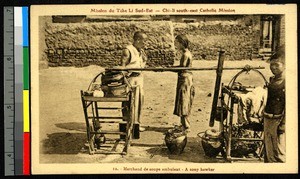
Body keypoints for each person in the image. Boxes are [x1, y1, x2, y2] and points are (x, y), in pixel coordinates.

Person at [121, 31, 148, 132]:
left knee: (139, 101)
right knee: (129, 102)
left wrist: (144, 59)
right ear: (137, 40)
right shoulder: (128, 50)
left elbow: (140, 64)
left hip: (139, 79)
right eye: (144, 41)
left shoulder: (140, 50)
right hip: (131, 79)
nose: (146, 43)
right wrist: (125, 82)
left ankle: (136, 124)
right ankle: (127, 125)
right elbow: (122, 67)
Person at [263, 46, 286, 163]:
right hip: (268, 117)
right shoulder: (272, 80)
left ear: (285, 65)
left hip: (278, 120)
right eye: (272, 65)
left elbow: (289, 106)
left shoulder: (286, 82)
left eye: (277, 65)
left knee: (278, 150)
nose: (274, 67)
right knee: (268, 149)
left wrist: (283, 124)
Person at [173, 35, 195, 132]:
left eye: (176, 43)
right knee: (184, 100)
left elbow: (181, 68)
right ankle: (184, 123)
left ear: (181, 43)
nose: (175, 45)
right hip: (186, 78)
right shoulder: (187, 53)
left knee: (183, 100)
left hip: (185, 79)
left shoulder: (186, 54)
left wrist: (168, 68)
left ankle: (185, 125)